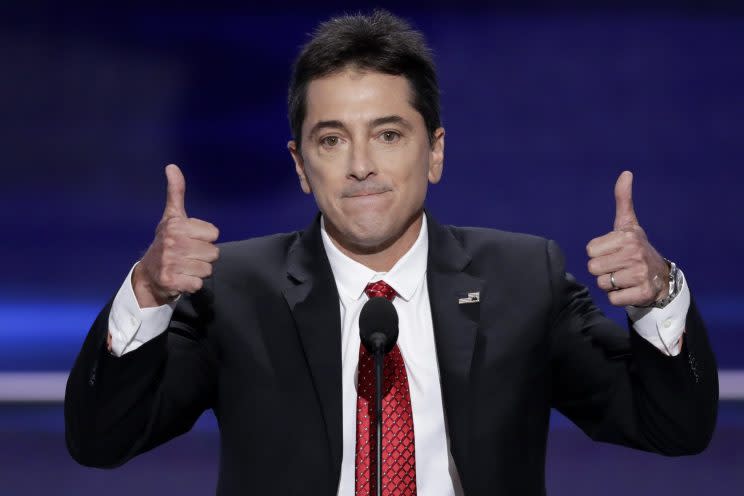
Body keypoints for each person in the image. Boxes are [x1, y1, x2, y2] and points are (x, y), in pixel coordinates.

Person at [65, 10, 717, 496]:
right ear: (299, 165)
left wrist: (660, 298)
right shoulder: (236, 290)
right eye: (330, 140)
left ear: (434, 151)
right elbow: (101, 441)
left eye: (388, 134)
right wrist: (147, 294)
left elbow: (673, 429)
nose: (361, 167)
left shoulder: (523, 279)